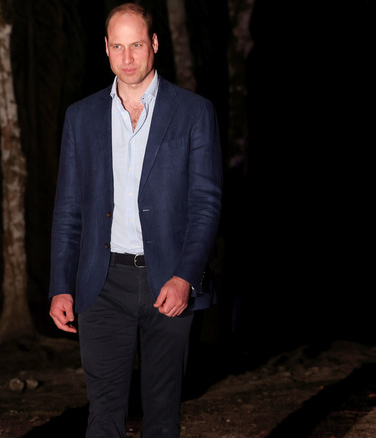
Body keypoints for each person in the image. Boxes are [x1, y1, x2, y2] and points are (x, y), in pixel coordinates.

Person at [48, 4, 223, 437]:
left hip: (168, 281)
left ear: (154, 45)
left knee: (162, 415)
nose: (128, 58)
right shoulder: (81, 117)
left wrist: (186, 276)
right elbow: (68, 209)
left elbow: (206, 203)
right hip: (101, 284)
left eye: (137, 45)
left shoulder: (194, 112)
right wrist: (60, 285)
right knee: (104, 414)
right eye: (119, 47)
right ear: (106, 49)